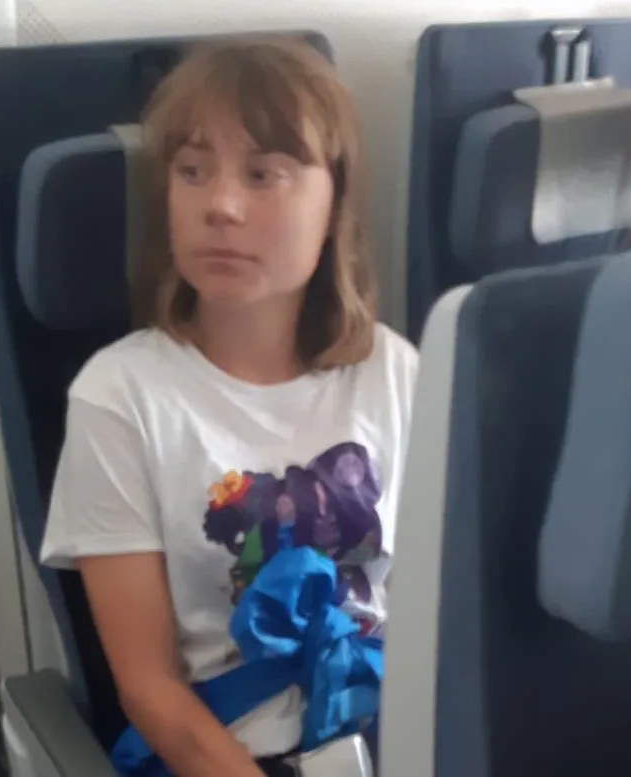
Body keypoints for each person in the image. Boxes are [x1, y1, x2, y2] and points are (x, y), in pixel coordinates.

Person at [39, 36, 418, 777]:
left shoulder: (395, 371)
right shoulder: (119, 398)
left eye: (263, 173)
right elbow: (150, 688)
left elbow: (432, 615)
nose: (220, 205)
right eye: (192, 171)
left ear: (333, 203)